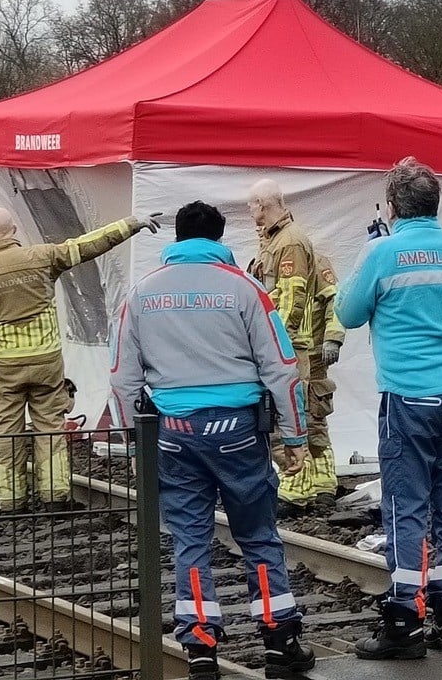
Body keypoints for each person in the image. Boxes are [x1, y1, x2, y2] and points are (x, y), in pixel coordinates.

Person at [110, 201, 314, 680]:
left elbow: (121, 379)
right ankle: (280, 643)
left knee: (190, 541)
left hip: (174, 436)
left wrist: (135, 446)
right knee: (259, 536)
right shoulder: (246, 290)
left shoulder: (142, 294)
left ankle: (200, 648)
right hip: (239, 433)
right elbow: (282, 370)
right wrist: (295, 437)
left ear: (177, 240)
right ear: (221, 240)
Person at [336, 158, 442, 660]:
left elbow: (347, 313)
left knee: (405, 508)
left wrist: (371, 252)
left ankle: (404, 622)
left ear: (393, 206)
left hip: (409, 400)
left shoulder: (383, 253)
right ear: (436, 205)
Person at [0, 207, 158, 510]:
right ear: (13, 230)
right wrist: (130, 224)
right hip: (46, 361)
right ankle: (55, 497)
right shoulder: (42, 256)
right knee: (49, 425)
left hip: (5, 366)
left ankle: (10, 501)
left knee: (7, 429)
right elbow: (88, 244)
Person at [245, 179, 328, 514]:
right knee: (288, 413)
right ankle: (301, 486)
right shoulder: (274, 240)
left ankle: (296, 491)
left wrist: (275, 343)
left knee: (290, 414)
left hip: (288, 346)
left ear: (264, 204)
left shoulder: (288, 243)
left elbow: (290, 299)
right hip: (286, 345)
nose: (249, 211)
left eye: (251, 204)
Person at [303, 252, 345, 508]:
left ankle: (323, 485)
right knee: (283, 424)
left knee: (314, 420)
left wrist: (332, 337)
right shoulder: (263, 260)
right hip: (281, 357)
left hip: (311, 355)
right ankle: (298, 485)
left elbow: (335, 299)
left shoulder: (313, 261)